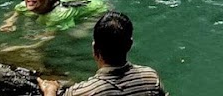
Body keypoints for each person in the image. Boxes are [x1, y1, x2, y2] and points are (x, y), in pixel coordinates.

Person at [37, 11, 168, 96]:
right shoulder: (151, 78)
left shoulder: (83, 92)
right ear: (130, 45)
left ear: (94, 49)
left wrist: (50, 90)